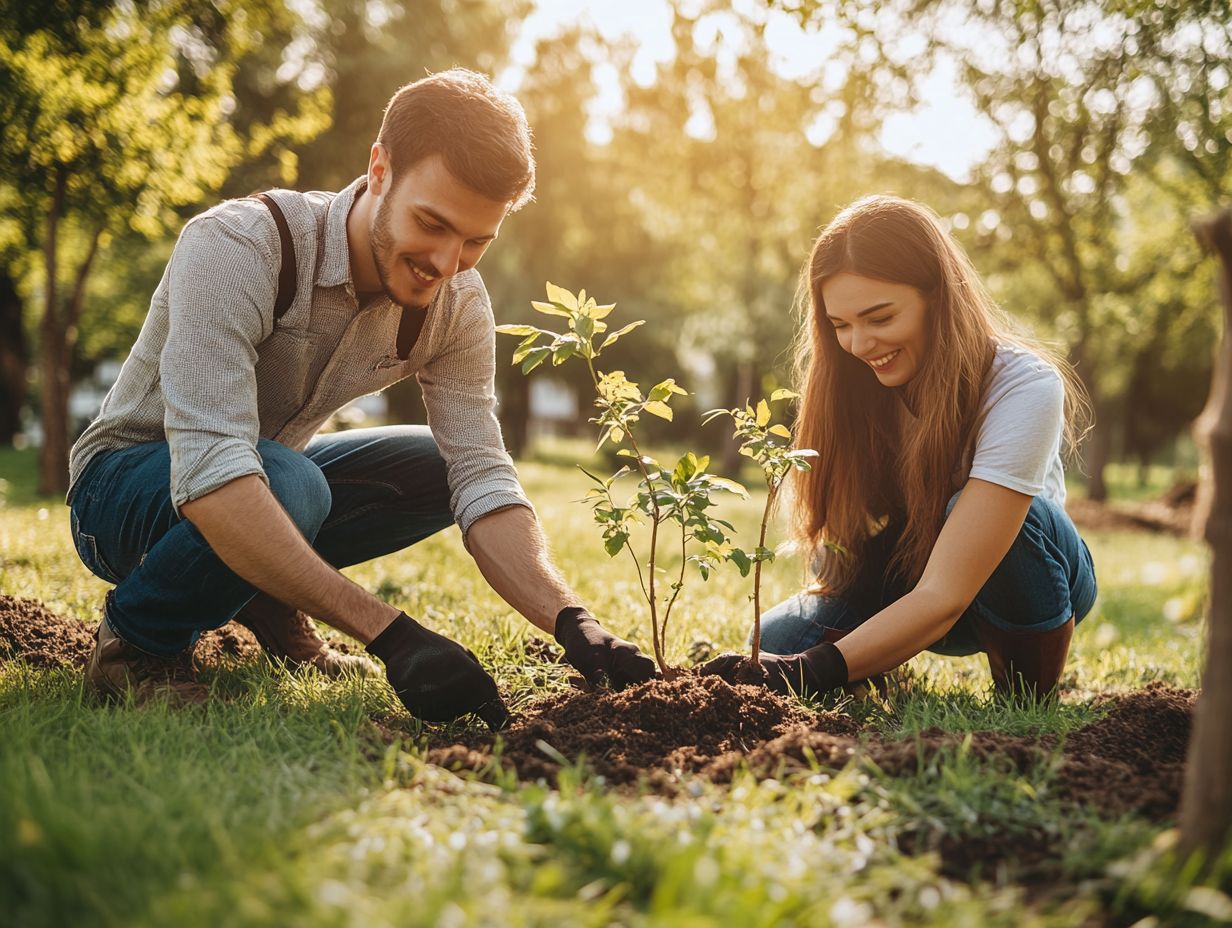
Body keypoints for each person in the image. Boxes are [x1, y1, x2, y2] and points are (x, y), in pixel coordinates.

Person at [67, 69, 654, 729]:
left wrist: (573, 622)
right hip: (120, 491)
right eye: (431, 223)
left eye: (475, 242)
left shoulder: (455, 304)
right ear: (380, 169)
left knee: (440, 468)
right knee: (292, 483)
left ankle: (258, 589)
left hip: (265, 481)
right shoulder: (239, 246)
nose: (445, 261)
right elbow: (211, 473)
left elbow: (483, 475)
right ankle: (135, 643)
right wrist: (391, 634)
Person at [703, 195, 1097, 699]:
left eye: (880, 318)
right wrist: (800, 658)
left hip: (1022, 585)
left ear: (938, 296)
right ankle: (877, 658)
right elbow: (843, 552)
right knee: (779, 641)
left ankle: (1025, 689)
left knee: (1014, 523)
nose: (860, 345)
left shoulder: (1022, 385)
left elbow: (947, 593)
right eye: (840, 325)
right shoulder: (851, 384)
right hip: (913, 574)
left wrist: (814, 669)